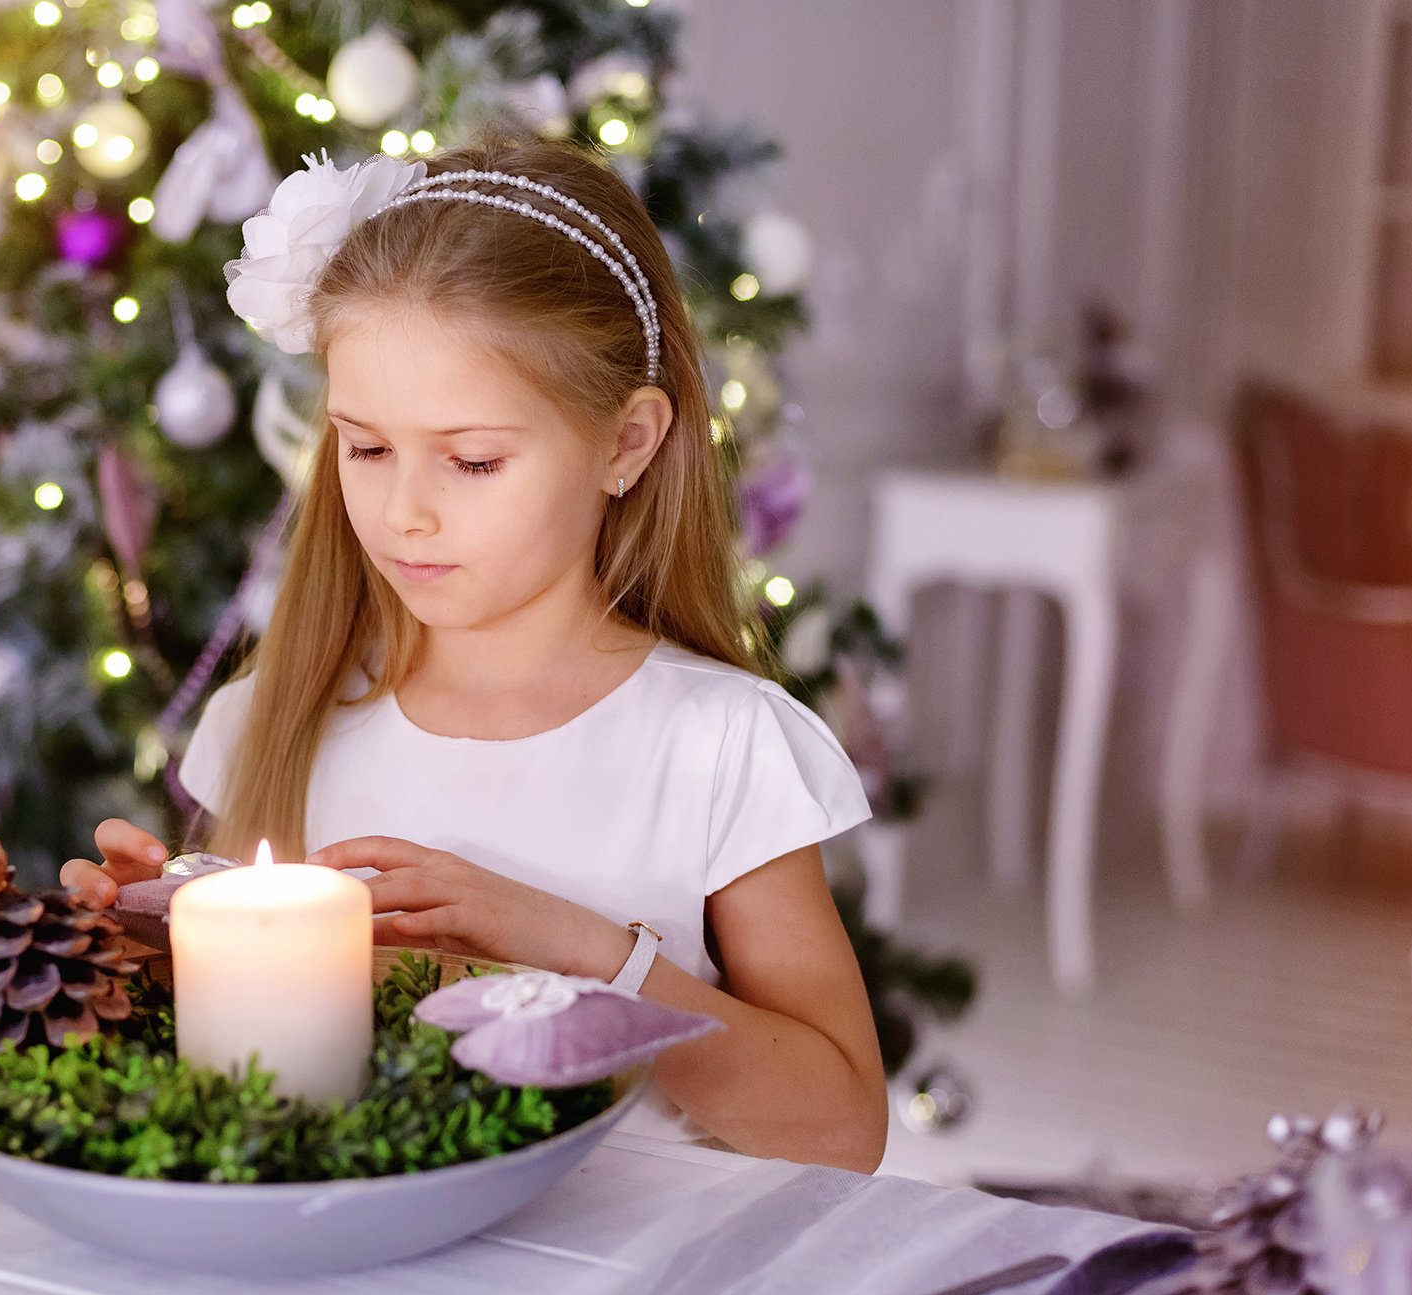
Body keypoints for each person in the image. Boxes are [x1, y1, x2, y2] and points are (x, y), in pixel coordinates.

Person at [62, 133, 887, 1171]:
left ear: (625, 444)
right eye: (363, 447)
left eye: (472, 459)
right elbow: (253, 1090)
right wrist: (148, 955)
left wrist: (572, 947)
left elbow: (841, 1129)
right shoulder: (276, 718)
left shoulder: (721, 746)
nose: (404, 512)